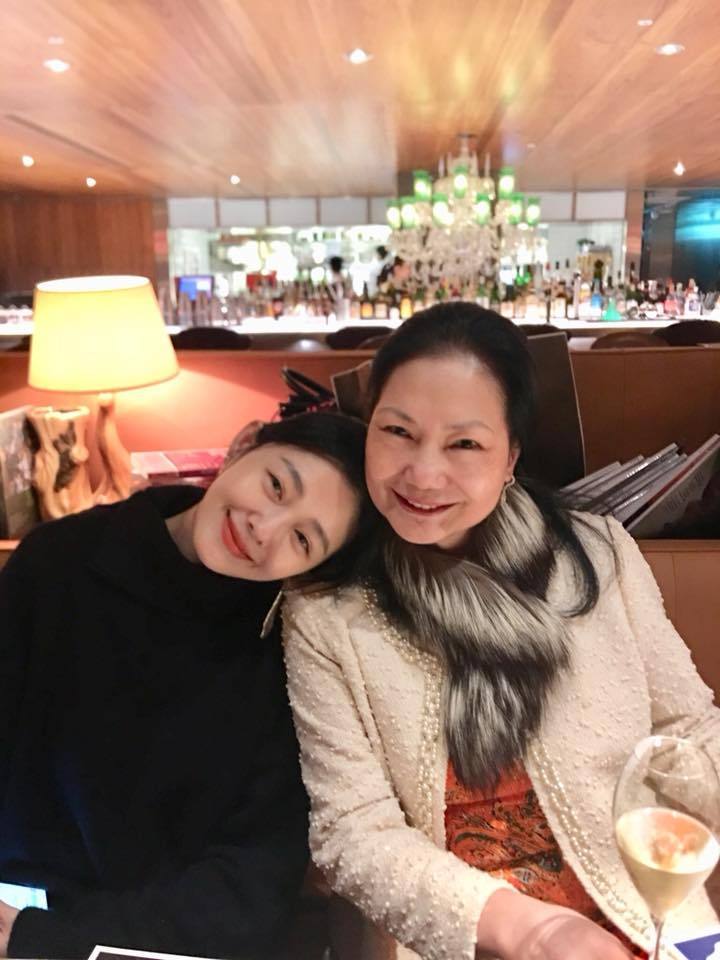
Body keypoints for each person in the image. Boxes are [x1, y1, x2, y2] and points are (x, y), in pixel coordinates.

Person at [283, 304, 720, 960]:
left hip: (647, 913)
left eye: (464, 444)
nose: (423, 474)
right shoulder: (326, 609)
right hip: (458, 936)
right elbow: (352, 831)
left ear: (510, 455)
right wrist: (534, 930)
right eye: (398, 431)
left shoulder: (596, 553)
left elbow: (689, 728)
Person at [0, 411, 377, 960]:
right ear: (243, 444)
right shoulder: (59, 561)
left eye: (302, 539)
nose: (264, 529)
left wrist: (45, 940)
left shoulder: (288, 654)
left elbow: (248, 891)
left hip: (141, 942)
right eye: (276, 485)